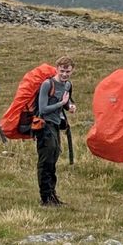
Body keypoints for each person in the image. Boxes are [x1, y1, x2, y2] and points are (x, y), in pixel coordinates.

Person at [35, 56, 76, 207]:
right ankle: (45, 198)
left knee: (53, 159)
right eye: (62, 71)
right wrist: (62, 103)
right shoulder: (47, 84)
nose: (65, 74)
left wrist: (69, 106)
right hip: (45, 125)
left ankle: (52, 196)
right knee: (46, 161)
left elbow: (67, 101)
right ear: (57, 69)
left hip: (56, 125)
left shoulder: (68, 85)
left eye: (68, 71)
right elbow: (43, 109)